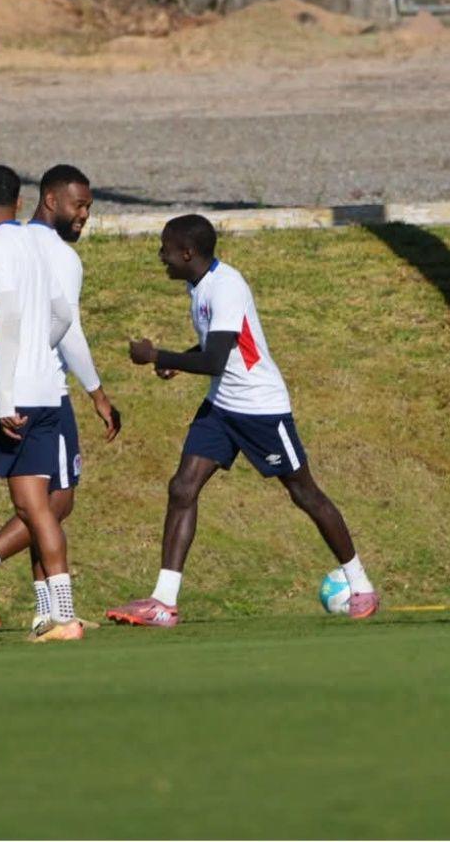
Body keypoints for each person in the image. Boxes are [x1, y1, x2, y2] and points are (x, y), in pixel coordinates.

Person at [106, 214, 380, 627]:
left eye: (165, 249)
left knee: (304, 493)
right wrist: (182, 360)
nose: (160, 256)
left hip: (259, 408)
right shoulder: (196, 284)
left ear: (187, 252)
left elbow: (216, 358)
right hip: (221, 407)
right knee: (183, 487)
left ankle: (360, 583)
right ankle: (163, 601)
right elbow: (217, 344)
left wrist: (159, 356)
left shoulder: (227, 286)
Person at [0, 164, 120, 635]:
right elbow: (62, 317)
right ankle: (61, 615)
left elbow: (11, 316)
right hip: (46, 394)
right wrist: (44, 355)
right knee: (36, 504)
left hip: (1, 393)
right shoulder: (43, 249)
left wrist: (3, 398)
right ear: (21, 203)